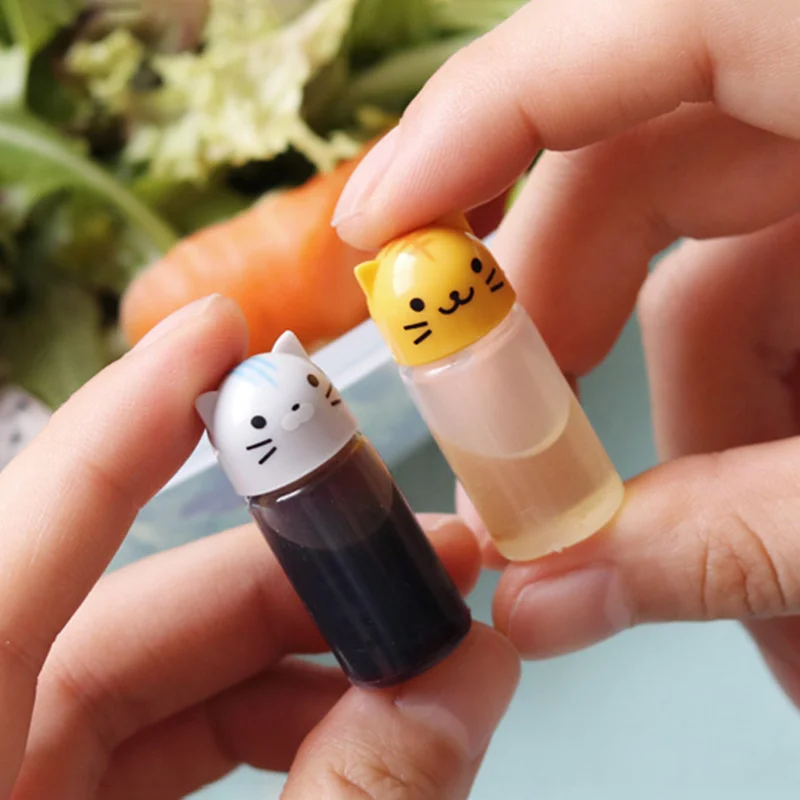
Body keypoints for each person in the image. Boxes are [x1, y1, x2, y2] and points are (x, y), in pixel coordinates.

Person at [3, 0, 800, 796]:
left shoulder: (446, 363)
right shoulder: (312, 474)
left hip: (534, 469)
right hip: (391, 612)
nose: (444, 304)